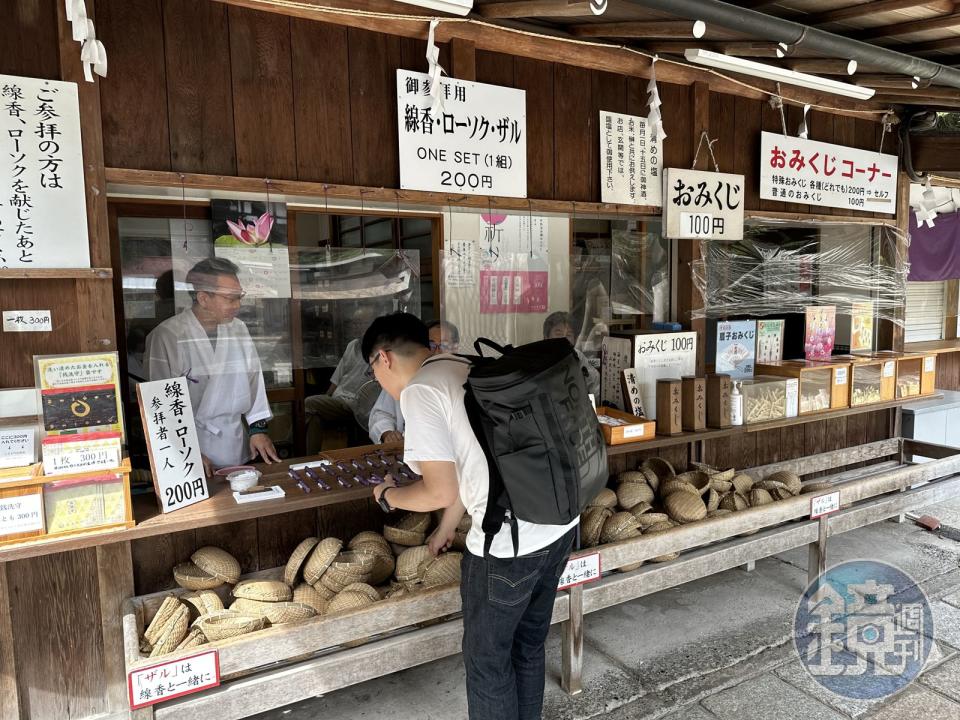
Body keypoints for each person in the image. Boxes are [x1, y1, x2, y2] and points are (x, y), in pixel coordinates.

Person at [365, 313, 575, 720]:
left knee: (488, 664)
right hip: (558, 526)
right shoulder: (467, 366)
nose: (379, 383)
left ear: (383, 358)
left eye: (372, 372)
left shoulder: (421, 391)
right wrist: (446, 526)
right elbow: (475, 465)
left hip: (508, 547)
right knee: (527, 647)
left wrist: (389, 495)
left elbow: (437, 490)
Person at [144, 257, 279, 474]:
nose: (238, 305)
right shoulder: (167, 336)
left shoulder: (238, 329)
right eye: (230, 299)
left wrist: (257, 429)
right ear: (203, 298)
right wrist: (185, 450)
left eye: (239, 297)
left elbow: (254, 379)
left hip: (234, 443)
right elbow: (159, 403)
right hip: (189, 446)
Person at [367, 320, 460, 445]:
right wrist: (387, 432)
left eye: (444, 346)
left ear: (456, 348)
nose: (437, 352)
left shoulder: (458, 380)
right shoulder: (399, 379)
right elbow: (380, 413)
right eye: (432, 346)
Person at [304, 337, 377, 449]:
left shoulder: (378, 349)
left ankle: (287, 443)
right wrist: (326, 396)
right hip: (338, 398)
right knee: (315, 417)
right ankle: (310, 458)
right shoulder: (353, 344)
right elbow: (338, 375)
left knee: (308, 402)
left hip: (355, 404)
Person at [543, 311, 601, 399]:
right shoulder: (539, 359)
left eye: (569, 335)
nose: (564, 339)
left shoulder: (578, 356)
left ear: (575, 339)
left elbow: (595, 387)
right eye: (558, 334)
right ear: (546, 337)